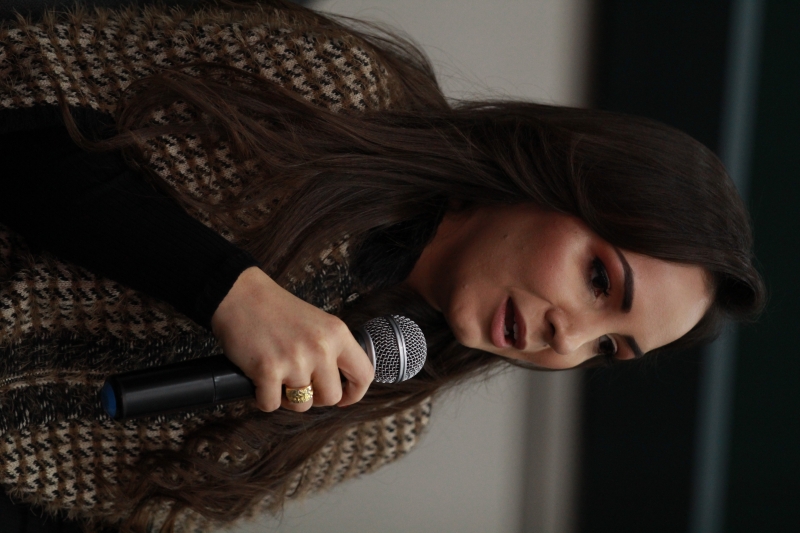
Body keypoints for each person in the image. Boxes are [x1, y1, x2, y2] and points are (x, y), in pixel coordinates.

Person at [0, 1, 764, 531]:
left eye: (606, 346)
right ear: (559, 178)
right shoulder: (342, 92)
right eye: (599, 280)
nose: (567, 338)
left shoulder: (383, 416)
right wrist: (231, 291)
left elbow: (126, 503)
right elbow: (24, 106)